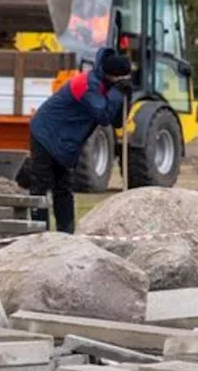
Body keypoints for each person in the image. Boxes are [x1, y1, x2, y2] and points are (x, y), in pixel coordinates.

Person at [24, 47, 130, 234]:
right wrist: (116, 95)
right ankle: (38, 234)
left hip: (65, 140)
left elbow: (115, 121)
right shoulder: (87, 84)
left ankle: (66, 234)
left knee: (63, 187)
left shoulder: (106, 85)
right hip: (46, 132)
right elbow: (103, 115)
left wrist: (123, 99)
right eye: (120, 80)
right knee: (41, 184)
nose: (123, 83)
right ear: (111, 75)